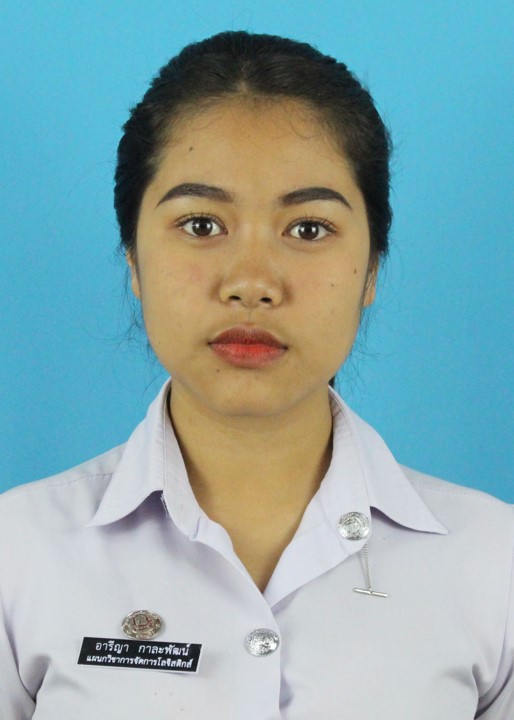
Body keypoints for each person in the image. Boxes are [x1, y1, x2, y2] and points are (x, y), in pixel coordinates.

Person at [0, 31, 512, 720]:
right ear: (133, 261)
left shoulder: (494, 566)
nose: (251, 282)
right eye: (201, 224)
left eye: (308, 229)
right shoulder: (17, 555)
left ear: (371, 270)